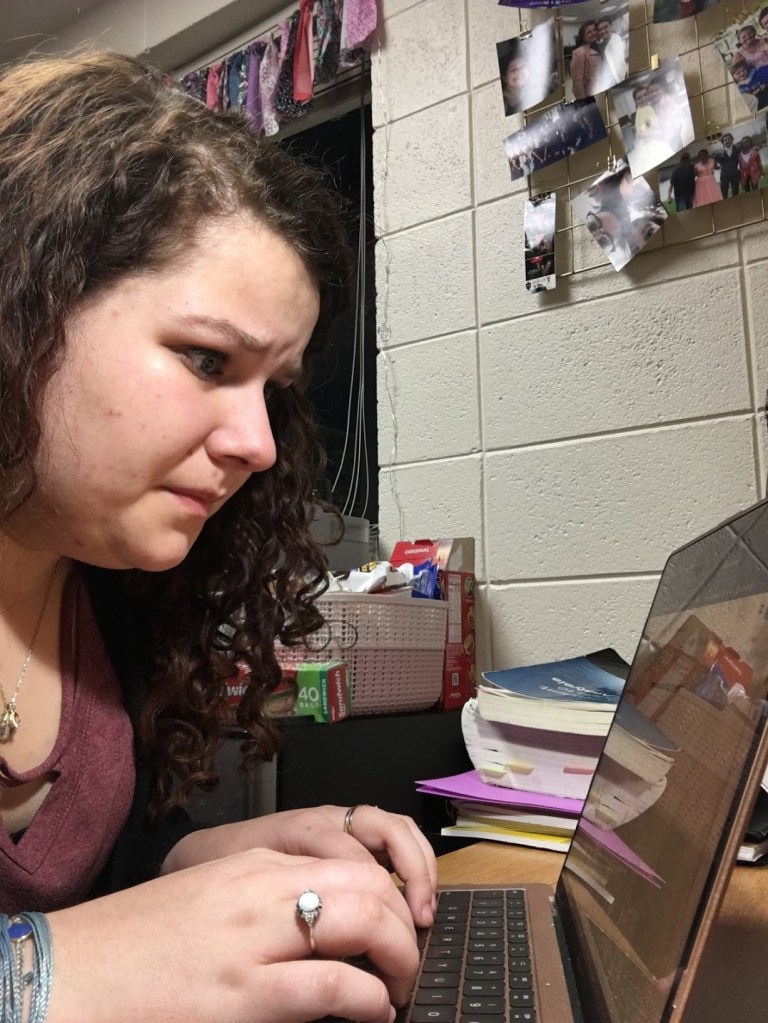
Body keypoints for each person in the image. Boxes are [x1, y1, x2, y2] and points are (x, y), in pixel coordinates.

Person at [0, 50, 438, 1023]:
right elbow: (75, 947)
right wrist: (46, 970)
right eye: (206, 359)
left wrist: (200, 866)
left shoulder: (117, 587)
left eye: (272, 391)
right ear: (22, 310)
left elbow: (89, 888)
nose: (258, 446)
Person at [570, 21, 602, 101]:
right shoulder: (580, 52)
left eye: (594, 30)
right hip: (590, 94)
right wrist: (584, 101)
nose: (593, 33)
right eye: (589, 32)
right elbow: (577, 82)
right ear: (583, 37)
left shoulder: (600, 47)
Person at [595, 15, 627, 92]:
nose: (603, 31)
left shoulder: (615, 42)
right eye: (600, 30)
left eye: (605, 27)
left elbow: (618, 65)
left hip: (617, 79)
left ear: (611, 27)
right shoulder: (604, 42)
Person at [498, 39, 528, 116]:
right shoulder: (502, 101)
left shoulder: (533, 89)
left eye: (523, 67)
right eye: (513, 69)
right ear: (504, 78)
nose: (519, 72)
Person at [718, 132, 741, 198]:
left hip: (735, 174)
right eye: (725, 140)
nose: (727, 141)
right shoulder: (719, 153)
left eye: (729, 139)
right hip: (724, 176)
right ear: (723, 142)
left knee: (735, 193)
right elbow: (712, 161)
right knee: (724, 194)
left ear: (732, 140)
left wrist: (754, 149)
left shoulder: (737, 149)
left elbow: (746, 150)